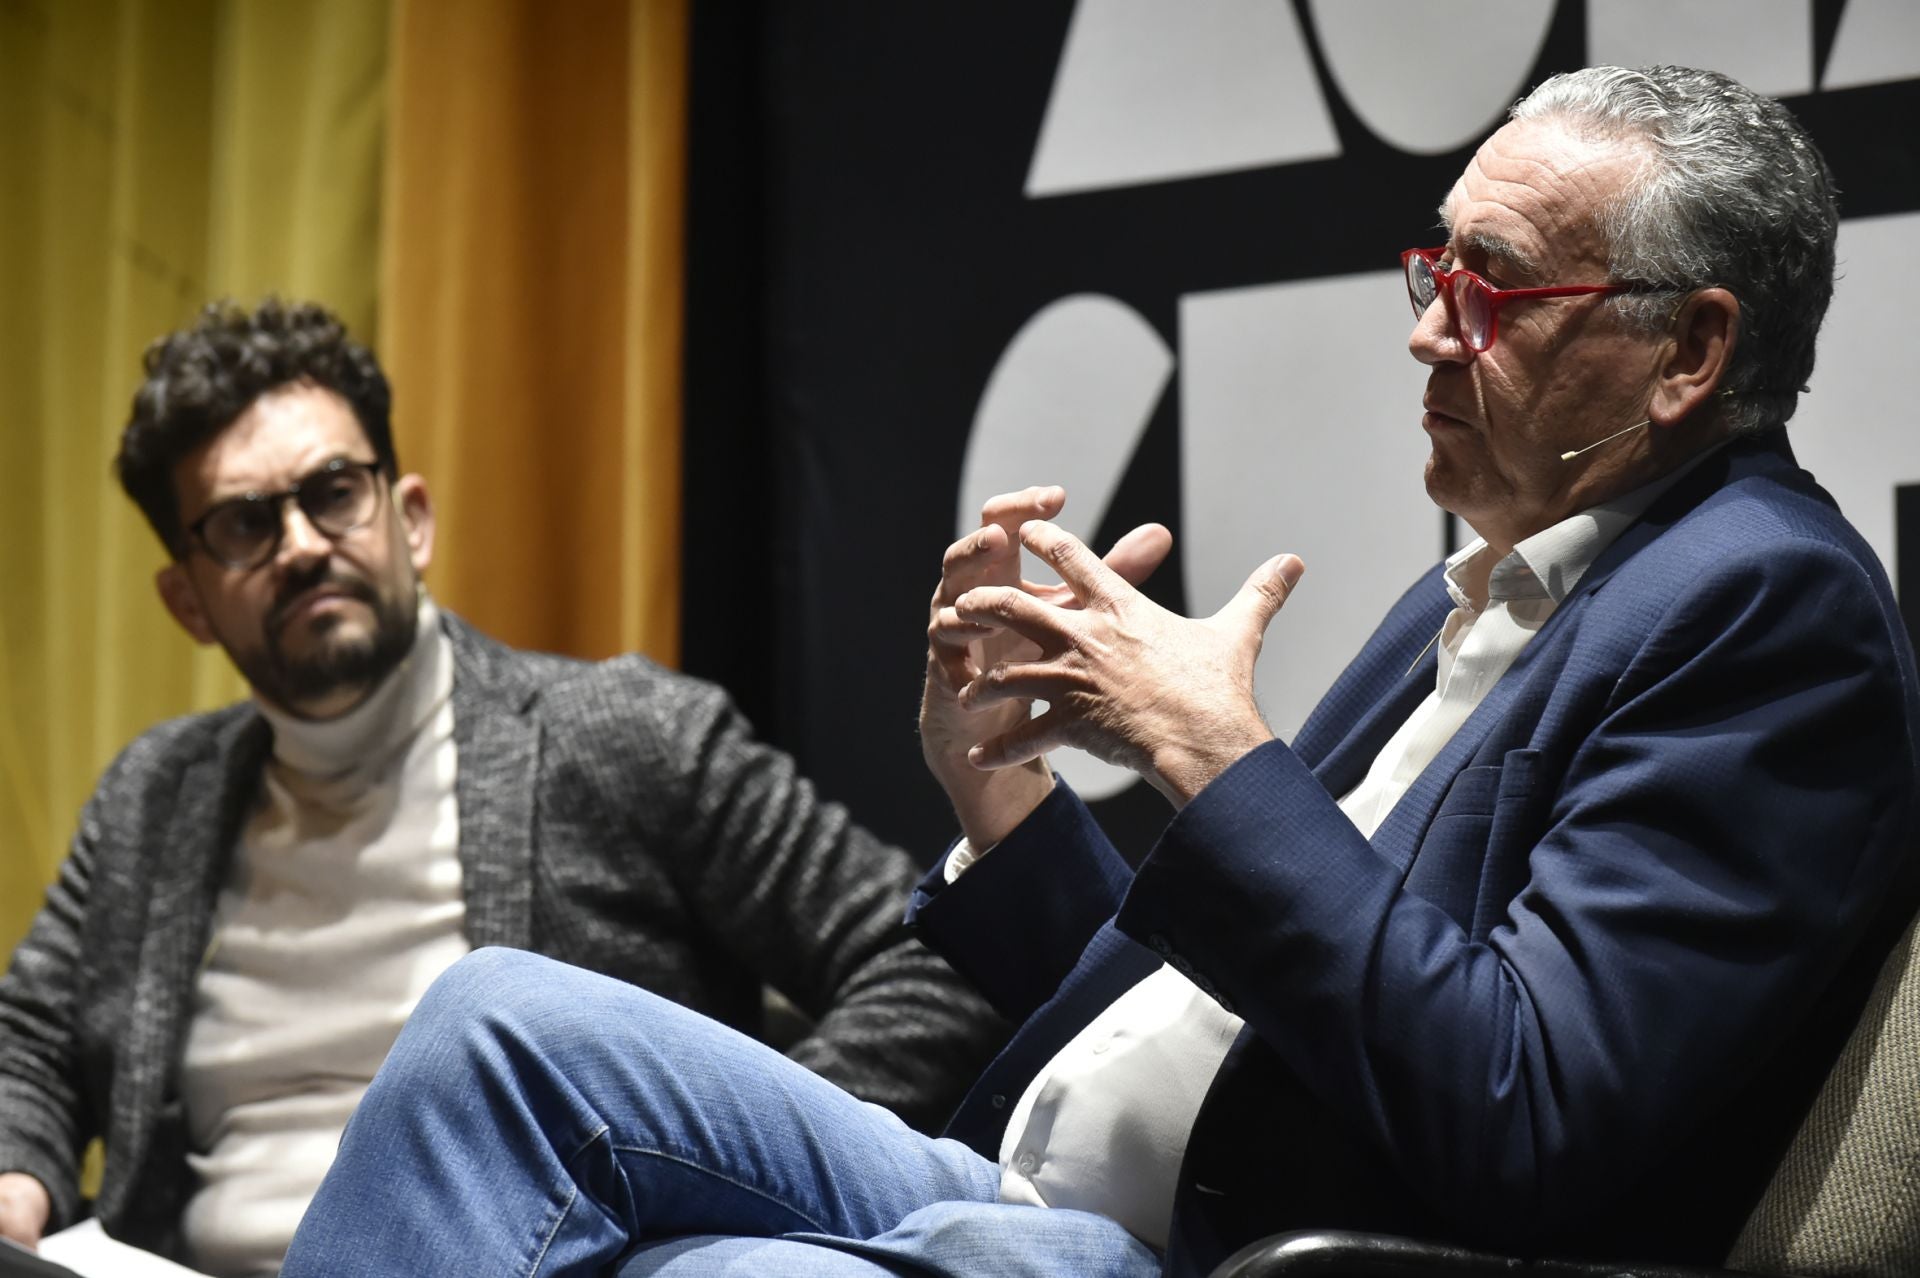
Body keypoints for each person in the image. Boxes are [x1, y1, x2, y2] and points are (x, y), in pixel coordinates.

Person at [278, 65, 1920, 1278]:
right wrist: (1005, 805)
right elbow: (1231, 992)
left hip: (1239, 1253)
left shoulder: (1766, 617)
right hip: (1031, 1182)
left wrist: (1223, 764)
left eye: (1496, 288)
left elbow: (1522, 1107)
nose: (1429, 331)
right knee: (494, 1022)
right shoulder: (1502, 577)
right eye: (1438, 271)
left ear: (1690, 352)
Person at [0, 301, 1005, 1275]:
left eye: (334, 492)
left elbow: (931, 963)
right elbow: (31, 1045)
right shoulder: (152, 797)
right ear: (189, 601)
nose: (303, 544)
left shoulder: (620, 736)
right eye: (244, 524)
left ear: (413, 518)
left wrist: (728, 1159)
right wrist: (15, 1177)